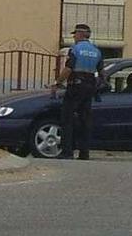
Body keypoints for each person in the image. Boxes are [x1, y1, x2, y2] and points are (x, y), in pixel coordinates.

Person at [53, 23, 103, 160]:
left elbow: (69, 69)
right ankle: (84, 153)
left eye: (75, 34)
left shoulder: (75, 49)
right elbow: (101, 73)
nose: (74, 37)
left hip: (75, 87)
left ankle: (67, 152)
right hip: (89, 88)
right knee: (85, 121)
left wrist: (58, 82)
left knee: (67, 119)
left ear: (80, 34)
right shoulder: (96, 51)